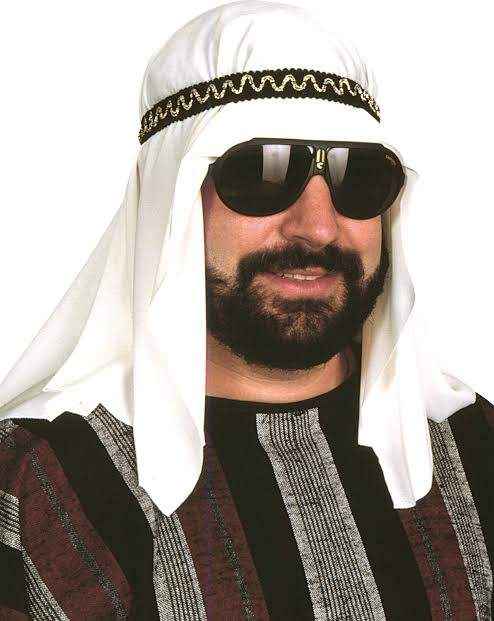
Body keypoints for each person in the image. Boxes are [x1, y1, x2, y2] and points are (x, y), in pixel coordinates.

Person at [0, 0, 493, 619]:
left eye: (358, 175)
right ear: (172, 203)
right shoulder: (43, 488)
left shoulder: (476, 449)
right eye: (263, 173)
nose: (318, 227)